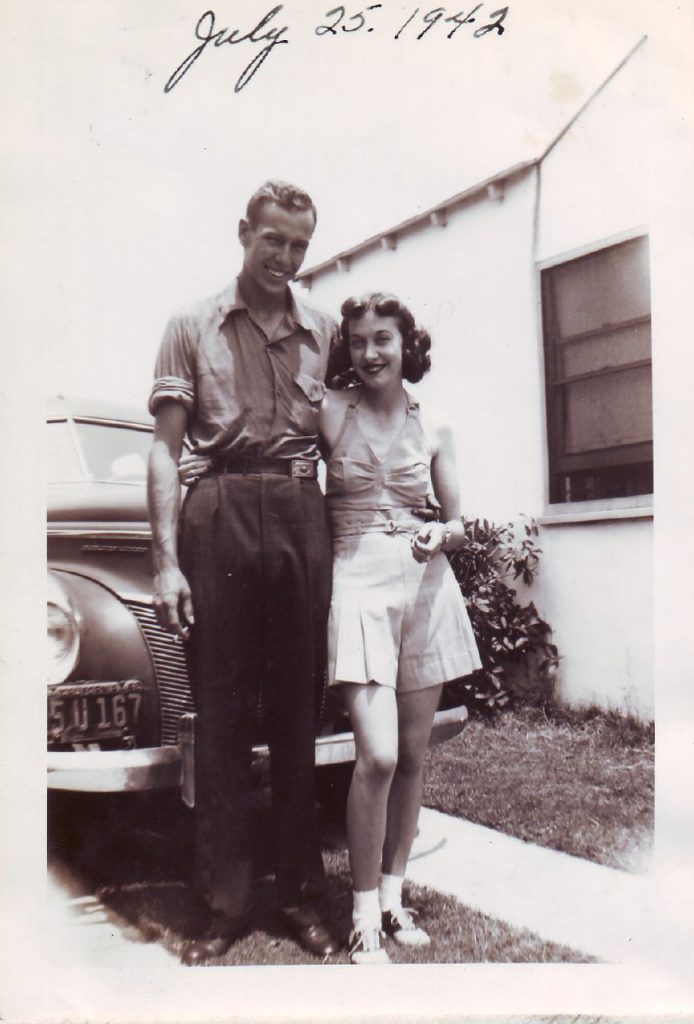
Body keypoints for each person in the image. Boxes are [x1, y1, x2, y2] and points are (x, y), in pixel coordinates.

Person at [147, 180, 340, 965]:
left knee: (300, 712)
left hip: (300, 510)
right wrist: (166, 562)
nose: (285, 259)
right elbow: (164, 449)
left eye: (298, 247)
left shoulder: (324, 328)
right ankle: (223, 903)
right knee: (221, 719)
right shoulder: (189, 324)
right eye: (273, 243)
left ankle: (298, 895)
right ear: (244, 234)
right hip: (217, 512)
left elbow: (349, 438)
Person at [320, 292, 482, 964]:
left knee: (412, 758)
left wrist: (437, 533)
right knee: (378, 755)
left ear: (406, 345)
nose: (371, 353)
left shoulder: (435, 423)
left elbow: (459, 522)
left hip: (425, 589)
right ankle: (359, 915)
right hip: (357, 586)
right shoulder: (329, 412)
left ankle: (391, 900)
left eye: (383, 339)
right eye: (358, 341)